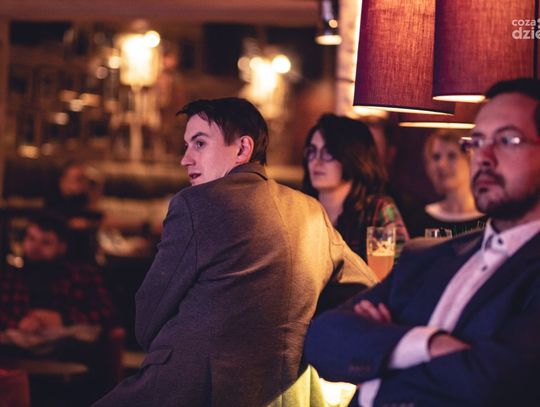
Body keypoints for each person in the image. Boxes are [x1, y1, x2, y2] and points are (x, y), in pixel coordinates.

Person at [95, 97, 376, 407]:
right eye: (187, 145)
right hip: (285, 392)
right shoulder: (311, 210)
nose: (185, 159)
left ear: (243, 148)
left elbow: (147, 320)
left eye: (199, 144)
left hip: (191, 389)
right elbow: (365, 285)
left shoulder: (195, 204)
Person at [304, 77, 540, 406]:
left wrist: (383, 346)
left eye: (507, 139)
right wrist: (428, 344)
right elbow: (322, 338)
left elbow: (491, 381)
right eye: (477, 140)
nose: (483, 156)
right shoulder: (427, 256)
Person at [302, 114, 409, 260]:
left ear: (352, 157)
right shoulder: (299, 210)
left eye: (328, 152)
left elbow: (402, 268)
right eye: (312, 151)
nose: (317, 161)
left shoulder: (377, 210)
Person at [408, 129, 486, 237]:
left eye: (452, 156)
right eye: (436, 157)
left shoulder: (492, 219)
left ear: (470, 161)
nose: (441, 165)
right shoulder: (419, 220)